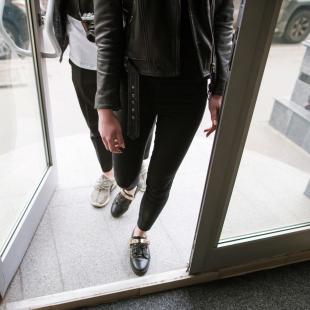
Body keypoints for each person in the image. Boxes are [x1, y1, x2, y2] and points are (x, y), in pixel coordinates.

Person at [94, 0, 234, 276]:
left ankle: (140, 233)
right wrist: (105, 108)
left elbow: (222, 21)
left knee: (161, 177)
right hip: (135, 84)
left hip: (191, 85)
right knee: (124, 174)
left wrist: (219, 86)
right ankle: (128, 188)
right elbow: (107, 31)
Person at [53, 0, 153, 207]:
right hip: (83, 57)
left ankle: (139, 163)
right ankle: (108, 174)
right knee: (95, 122)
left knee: (139, 117)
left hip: (129, 55)